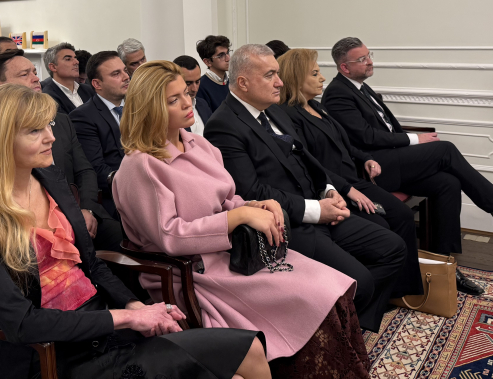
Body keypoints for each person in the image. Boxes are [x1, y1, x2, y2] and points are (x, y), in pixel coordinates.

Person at [0, 84, 269, 379]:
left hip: (103, 327)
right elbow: (21, 323)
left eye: (48, 125)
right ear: (0, 139)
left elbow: (92, 265)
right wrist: (125, 318)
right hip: (51, 354)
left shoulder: (49, 179)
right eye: (35, 130)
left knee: (250, 349)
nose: (51, 138)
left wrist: (132, 305)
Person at [114, 61, 369, 378]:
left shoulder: (199, 144)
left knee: (329, 285)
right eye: (172, 100)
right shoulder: (141, 165)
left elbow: (226, 199)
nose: (188, 102)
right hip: (191, 272)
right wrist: (238, 216)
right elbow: (170, 236)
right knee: (310, 295)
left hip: (234, 254)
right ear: (150, 108)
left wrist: (256, 205)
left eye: (186, 93)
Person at [204, 44, 406, 332]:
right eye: (270, 75)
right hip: (288, 224)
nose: (280, 82)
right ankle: (330, 332)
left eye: (278, 73)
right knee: (360, 282)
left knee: (393, 248)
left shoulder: (275, 110)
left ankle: (349, 328)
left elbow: (308, 159)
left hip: (319, 207)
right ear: (243, 83)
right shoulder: (223, 126)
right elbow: (252, 192)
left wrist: (328, 190)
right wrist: (316, 210)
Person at [322, 38, 493, 274]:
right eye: (362, 59)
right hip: (373, 168)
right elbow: (366, 137)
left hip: (393, 161)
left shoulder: (361, 87)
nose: (370, 61)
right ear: (345, 67)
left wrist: (410, 143)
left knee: (448, 183)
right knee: (445, 149)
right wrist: (415, 139)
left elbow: (386, 129)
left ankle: (442, 265)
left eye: (369, 55)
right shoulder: (337, 93)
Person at [277, 49, 423, 298]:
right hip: (336, 186)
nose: (323, 78)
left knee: (400, 216)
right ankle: (384, 290)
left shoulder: (316, 106)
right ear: (296, 79)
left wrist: (365, 158)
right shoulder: (290, 115)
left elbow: (344, 143)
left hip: (353, 179)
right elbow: (310, 164)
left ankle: (400, 288)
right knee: (389, 221)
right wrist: (347, 189)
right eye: (315, 73)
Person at [0, 49, 123, 251]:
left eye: (34, 72)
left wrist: (87, 209)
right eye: (24, 74)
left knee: (125, 240)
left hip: (76, 208)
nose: (36, 79)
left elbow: (85, 170)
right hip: (23, 221)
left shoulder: (61, 121)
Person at [71, 52, 130, 218]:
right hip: (115, 196)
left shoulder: (139, 107)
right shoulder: (83, 117)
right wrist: (134, 183)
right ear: (97, 84)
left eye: (125, 71)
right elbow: (96, 168)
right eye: (116, 74)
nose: (126, 77)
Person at [40, 42, 92, 114]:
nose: (76, 62)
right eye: (68, 59)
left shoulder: (88, 90)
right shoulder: (48, 97)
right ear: (53, 67)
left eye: (75, 58)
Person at [172, 55, 212, 135]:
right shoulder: (172, 112)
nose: (195, 89)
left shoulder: (203, 104)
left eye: (197, 82)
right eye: (188, 83)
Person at [196, 35, 231, 114]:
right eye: (221, 55)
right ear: (208, 62)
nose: (228, 58)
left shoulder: (231, 82)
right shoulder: (201, 87)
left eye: (228, 53)